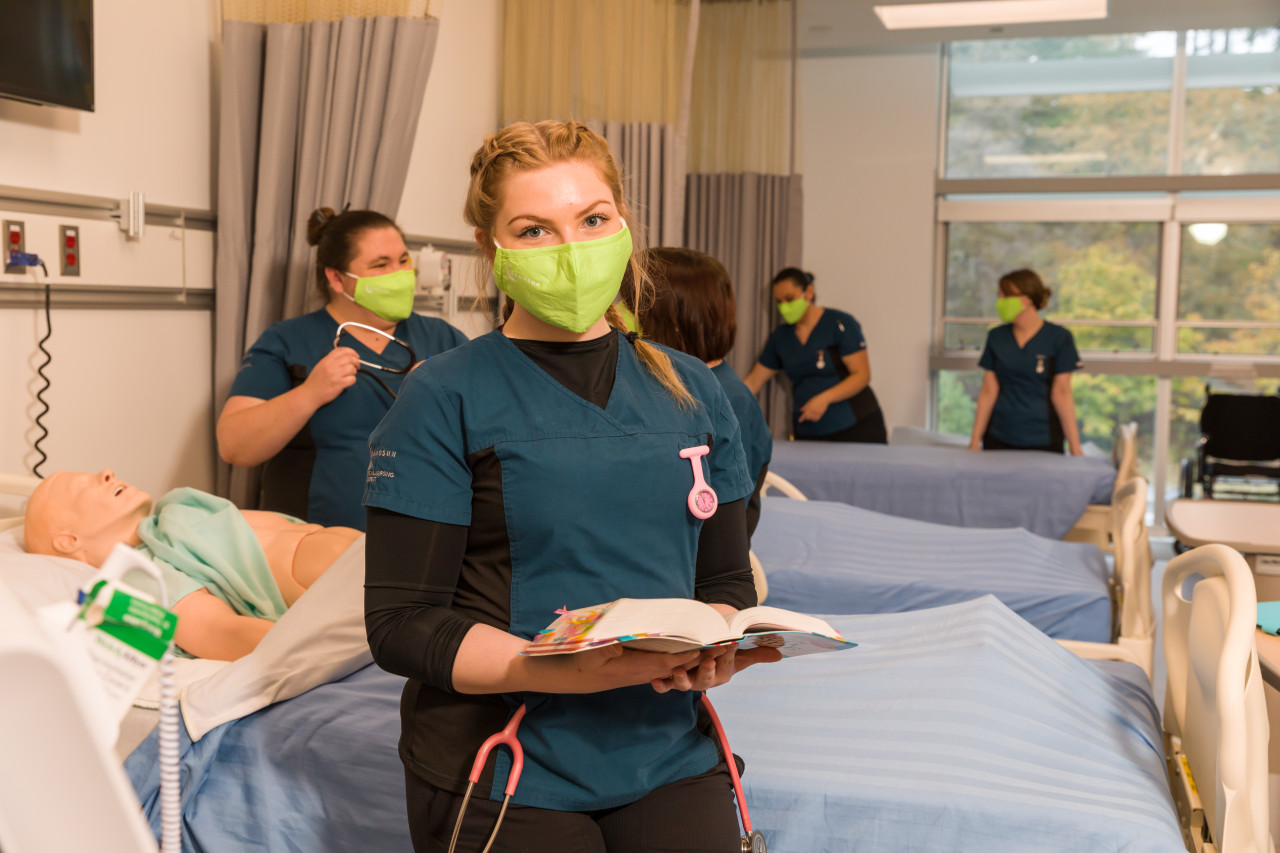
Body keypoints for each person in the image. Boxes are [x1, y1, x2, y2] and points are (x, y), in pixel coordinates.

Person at [362, 120, 781, 853]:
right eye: (534, 230)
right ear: (492, 251)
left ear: (623, 224)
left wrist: (715, 640)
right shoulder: (444, 396)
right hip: (501, 756)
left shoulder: (695, 392)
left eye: (592, 220)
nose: (572, 249)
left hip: (664, 746)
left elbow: (722, 575)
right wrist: (551, 668)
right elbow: (402, 623)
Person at [217, 208, 469, 530]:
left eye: (404, 261)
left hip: (424, 531)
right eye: (380, 265)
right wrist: (310, 393)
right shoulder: (288, 340)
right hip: (313, 542)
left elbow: (491, 427)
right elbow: (234, 446)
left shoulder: (442, 337)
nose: (400, 273)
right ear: (336, 278)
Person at [23, 469, 361, 660]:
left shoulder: (174, 510)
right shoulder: (141, 578)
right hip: (359, 593)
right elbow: (220, 632)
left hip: (372, 552)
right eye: (85, 484)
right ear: (68, 541)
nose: (107, 473)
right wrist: (318, 650)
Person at [625, 247, 773, 536]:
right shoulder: (666, 380)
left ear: (669, 321)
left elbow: (721, 522)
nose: (616, 315)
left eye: (628, 305)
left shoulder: (723, 400)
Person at [743, 268, 887, 443]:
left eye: (789, 299)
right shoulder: (780, 338)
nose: (784, 307)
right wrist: (721, 404)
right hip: (809, 432)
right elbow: (752, 382)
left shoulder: (840, 324)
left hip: (856, 426)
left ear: (809, 292)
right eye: (779, 302)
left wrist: (824, 399)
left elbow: (862, 375)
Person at [967, 268, 1084, 456]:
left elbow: (1061, 393)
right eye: (999, 296)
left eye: (1006, 296)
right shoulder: (996, 337)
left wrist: (1075, 448)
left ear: (1027, 298)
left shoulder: (1059, 338)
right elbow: (989, 391)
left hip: (1044, 439)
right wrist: (974, 442)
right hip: (998, 437)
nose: (1001, 302)